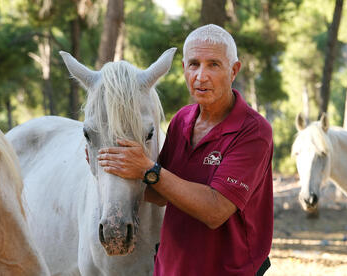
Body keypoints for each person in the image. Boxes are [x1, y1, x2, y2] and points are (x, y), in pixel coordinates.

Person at [96, 24, 273, 276]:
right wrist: (116, 168)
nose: (201, 76)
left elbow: (215, 211)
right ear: (183, 69)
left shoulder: (254, 131)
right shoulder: (181, 120)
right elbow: (160, 194)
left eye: (213, 64)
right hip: (170, 268)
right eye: (193, 64)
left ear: (234, 70)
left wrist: (147, 169)